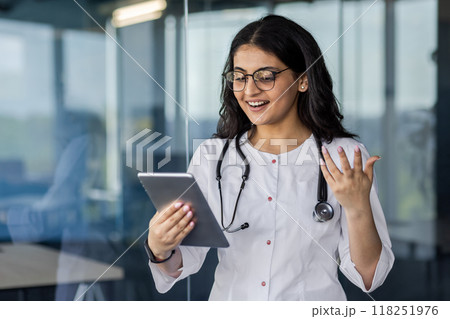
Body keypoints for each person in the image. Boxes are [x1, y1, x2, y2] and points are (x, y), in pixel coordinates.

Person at [145, 15, 394, 300]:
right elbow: (182, 260)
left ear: (303, 80)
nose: (250, 90)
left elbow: (369, 275)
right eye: (239, 77)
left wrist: (357, 207)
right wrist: (159, 246)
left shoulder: (344, 156)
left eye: (265, 77)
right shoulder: (212, 157)